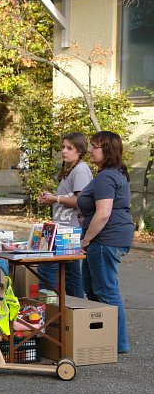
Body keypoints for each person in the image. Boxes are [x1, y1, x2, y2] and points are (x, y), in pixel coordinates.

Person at [78, 131, 134, 354]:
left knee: (106, 290)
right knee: (93, 288)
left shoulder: (106, 177)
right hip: (109, 238)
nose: (90, 150)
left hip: (104, 239)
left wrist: (86, 240)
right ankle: (101, 337)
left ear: (107, 150)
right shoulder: (113, 174)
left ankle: (117, 342)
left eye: (95, 146)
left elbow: (103, 214)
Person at [37, 132, 92, 298]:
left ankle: (49, 307)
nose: (64, 151)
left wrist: (55, 199)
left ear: (80, 151)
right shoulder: (71, 169)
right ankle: (73, 308)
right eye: (63, 147)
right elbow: (68, 197)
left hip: (70, 230)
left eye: (69, 148)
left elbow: (81, 201)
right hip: (64, 228)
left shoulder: (80, 171)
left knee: (47, 269)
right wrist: (52, 198)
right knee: (71, 273)